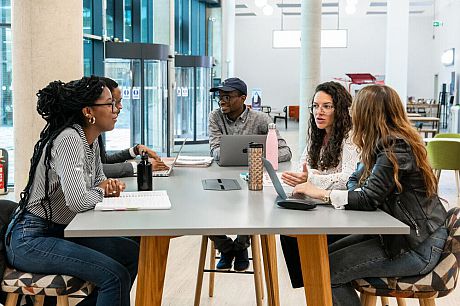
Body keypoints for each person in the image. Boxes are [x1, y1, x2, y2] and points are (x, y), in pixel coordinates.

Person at [292, 85, 448, 306]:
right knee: (318, 261)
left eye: (355, 109)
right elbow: (356, 181)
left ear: (368, 113)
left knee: (326, 271)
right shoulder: (380, 142)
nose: (350, 114)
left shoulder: (395, 146)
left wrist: (323, 194)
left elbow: (368, 198)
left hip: (417, 246)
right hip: (401, 237)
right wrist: (358, 189)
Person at [4, 76, 139, 306]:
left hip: (62, 230)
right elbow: (78, 201)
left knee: (131, 253)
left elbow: (99, 180)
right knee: (114, 276)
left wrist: (104, 187)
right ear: (88, 111)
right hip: (32, 238)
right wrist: (103, 191)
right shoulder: (69, 139)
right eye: (110, 104)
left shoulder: (91, 140)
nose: (117, 109)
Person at [279, 81, 360, 288]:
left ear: (340, 109)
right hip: (322, 205)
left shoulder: (349, 137)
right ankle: (312, 285)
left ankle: (318, 284)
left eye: (327, 106)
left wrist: (311, 179)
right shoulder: (318, 136)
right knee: (288, 230)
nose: (319, 112)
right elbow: (303, 166)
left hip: (343, 210)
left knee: (299, 233)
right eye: (315, 106)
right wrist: (304, 178)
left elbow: (348, 178)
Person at [208, 77, 292, 272]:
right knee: (205, 209)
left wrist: (256, 159)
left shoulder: (261, 119)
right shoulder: (215, 117)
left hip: (253, 179)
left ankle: (239, 247)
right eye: (220, 96)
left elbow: (285, 151)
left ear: (243, 98)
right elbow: (215, 151)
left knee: (256, 206)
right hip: (222, 178)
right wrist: (250, 154)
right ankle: (229, 248)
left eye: (227, 96)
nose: (222, 101)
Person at [98, 77, 169, 178]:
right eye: (113, 103)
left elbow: (103, 161)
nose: (119, 107)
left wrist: (135, 150)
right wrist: (140, 166)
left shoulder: (95, 134)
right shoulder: (75, 136)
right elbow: (94, 171)